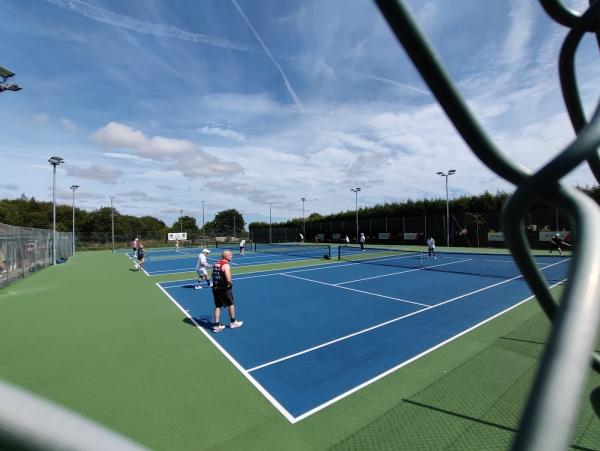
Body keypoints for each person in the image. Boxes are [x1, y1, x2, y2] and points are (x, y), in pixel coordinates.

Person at [211, 250, 243, 333]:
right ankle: (233, 322)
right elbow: (228, 279)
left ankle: (217, 325)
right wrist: (230, 285)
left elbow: (213, 275)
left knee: (218, 306)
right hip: (224, 289)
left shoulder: (216, 264)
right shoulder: (226, 265)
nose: (232, 256)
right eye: (231, 255)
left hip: (215, 288)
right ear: (226, 256)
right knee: (231, 304)